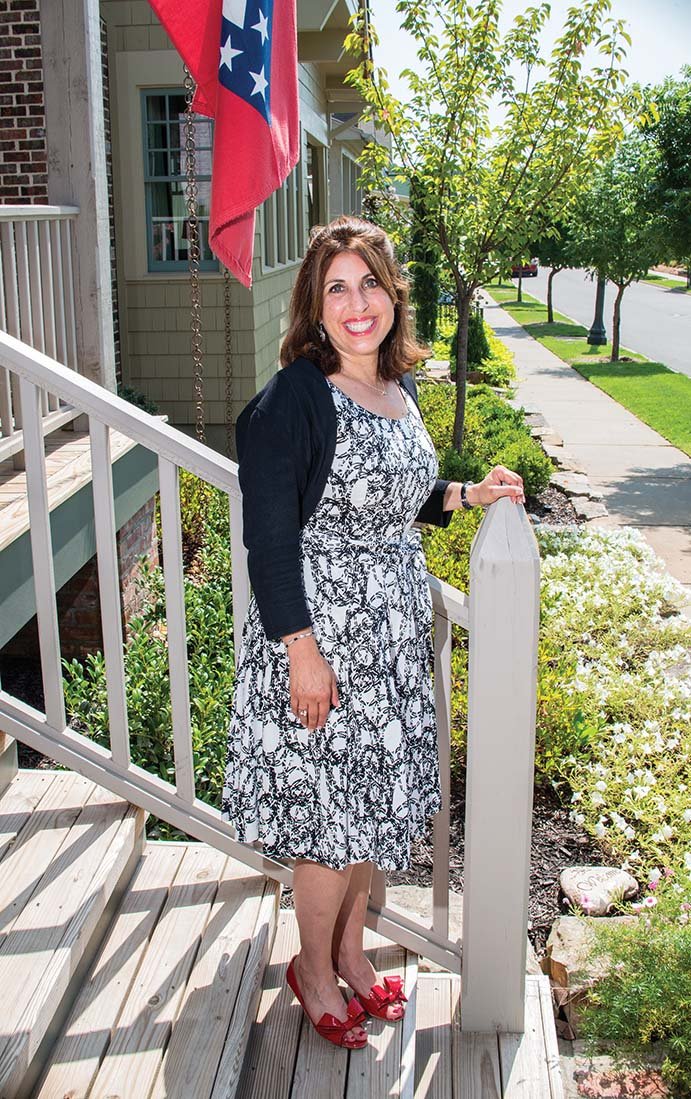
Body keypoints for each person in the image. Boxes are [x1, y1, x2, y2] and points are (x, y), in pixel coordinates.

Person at [222, 215, 525, 1050]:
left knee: (370, 813)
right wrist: (302, 652)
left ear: (393, 294)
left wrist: (467, 495)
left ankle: (350, 953)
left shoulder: (397, 389)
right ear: (314, 307)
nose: (357, 304)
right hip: (320, 641)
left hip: (389, 644)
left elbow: (401, 497)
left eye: (369, 284)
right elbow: (270, 539)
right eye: (336, 288)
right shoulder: (295, 397)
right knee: (329, 827)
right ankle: (309, 969)